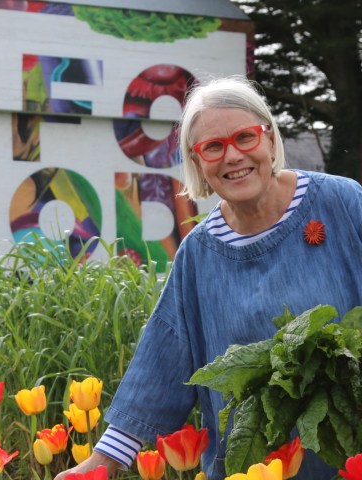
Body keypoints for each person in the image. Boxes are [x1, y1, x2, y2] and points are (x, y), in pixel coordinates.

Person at [55, 75, 361, 480]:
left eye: (245, 138)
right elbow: (165, 354)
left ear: (269, 139)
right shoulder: (200, 252)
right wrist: (102, 462)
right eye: (213, 147)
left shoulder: (343, 203)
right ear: (198, 162)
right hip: (249, 467)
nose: (232, 156)